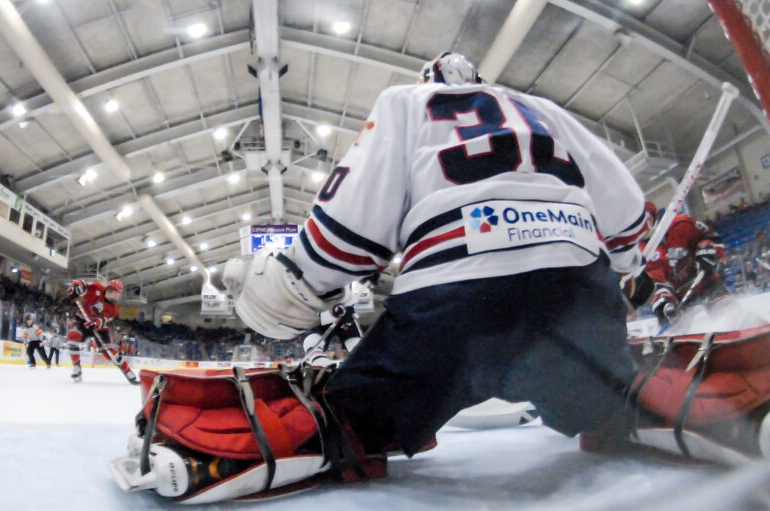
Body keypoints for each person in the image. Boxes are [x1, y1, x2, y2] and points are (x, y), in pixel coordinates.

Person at [225, 51, 650, 462]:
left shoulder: (406, 101)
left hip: (455, 301)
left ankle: (300, 442)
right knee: (612, 403)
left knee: (352, 422)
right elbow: (626, 210)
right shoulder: (544, 110)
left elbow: (350, 229)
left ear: (427, 82)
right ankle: (635, 409)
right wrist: (628, 269)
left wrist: (298, 275)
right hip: (577, 294)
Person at [643, 212, 725, 325]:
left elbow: (712, 238)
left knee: (729, 312)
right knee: (674, 327)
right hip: (679, 301)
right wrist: (664, 303)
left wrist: (708, 250)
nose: (643, 226)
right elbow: (658, 284)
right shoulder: (642, 254)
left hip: (707, 283)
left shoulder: (681, 223)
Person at [65, 279, 138, 384]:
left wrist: (95, 323)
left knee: (109, 353)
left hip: (99, 327)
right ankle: (76, 367)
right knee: (72, 337)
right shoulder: (96, 287)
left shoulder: (114, 308)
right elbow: (81, 283)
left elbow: (103, 319)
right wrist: (75, 287)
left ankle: (127, 370)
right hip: (82, 320)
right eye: (118, 293)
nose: (118, 296)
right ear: (112, 290)